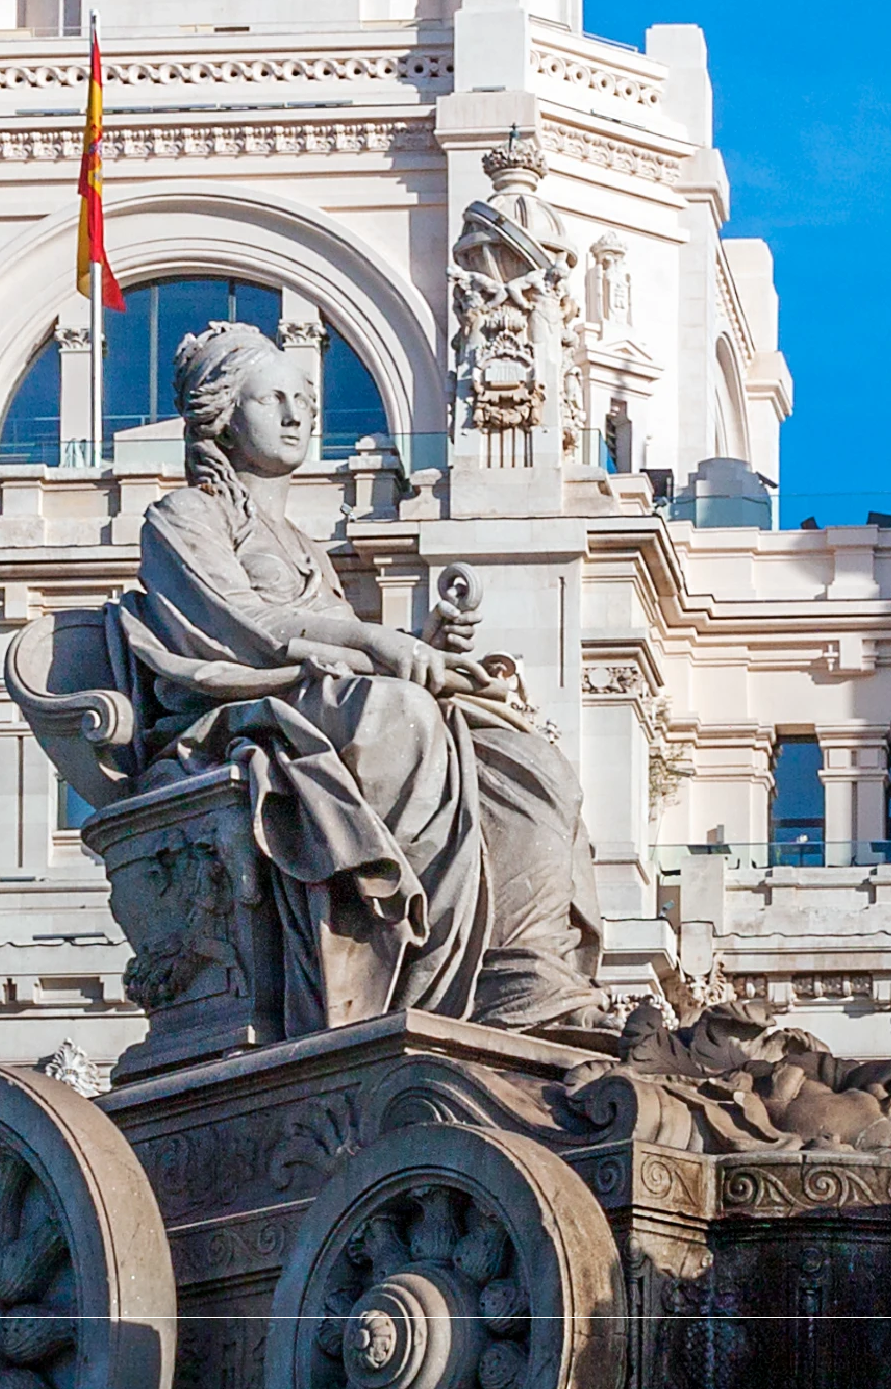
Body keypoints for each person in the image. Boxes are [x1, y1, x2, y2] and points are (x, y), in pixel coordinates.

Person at [120, 315, 601, 1034]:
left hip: (323, 706)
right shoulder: (183, 518)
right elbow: (242, 630)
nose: (295, 415)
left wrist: (423, 644)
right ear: (219, 417)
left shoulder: (300, 544)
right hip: (242, 714)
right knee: (397, 719)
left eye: (304, 403)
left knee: (525, 761)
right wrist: (379, 645)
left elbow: (338, 650)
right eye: (271, 399)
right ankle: (421, 972)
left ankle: (519, 974)